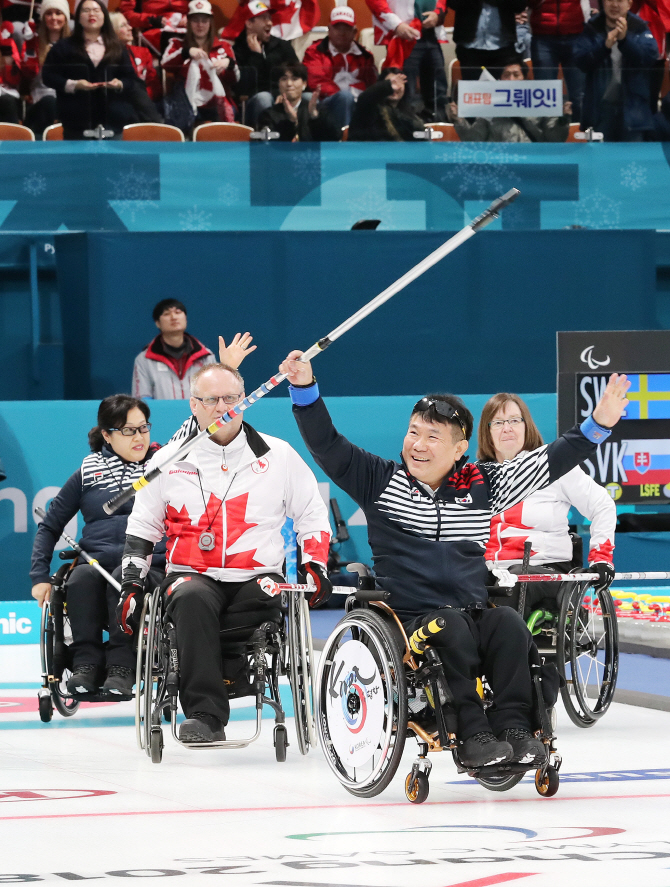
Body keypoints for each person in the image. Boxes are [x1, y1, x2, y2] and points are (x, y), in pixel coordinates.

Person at [280, 348, 629, 768]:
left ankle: (515, 729)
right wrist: (303, 388)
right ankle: (473, 733)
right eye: (413, 432)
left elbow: (551, 461)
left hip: (472, 608)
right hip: (410, 618)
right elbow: (326, 443)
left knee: (509, 624)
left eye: (432, 437)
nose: (418, 445)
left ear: (461, 447)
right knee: (452, 627)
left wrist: (598, 425)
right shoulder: (379, 481)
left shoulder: (484, 485)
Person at [116, 363, 332, 743]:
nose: (222, 407)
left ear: (245, 401)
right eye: (212, 399)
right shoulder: (167, 460)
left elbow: (313, 514)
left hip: (258, 578)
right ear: (193, 404)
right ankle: (205, 715)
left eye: (231, 398)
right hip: (191, 577)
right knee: (191, 598)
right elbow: (143, 527)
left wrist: (315, 565)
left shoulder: (278, 455)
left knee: (261, 597)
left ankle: (229, 672)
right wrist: (132, 584)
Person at [30, 395, 164, 696]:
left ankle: (122, 666)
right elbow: (50, 525)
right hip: (95, 561)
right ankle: (85, 664)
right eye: (128, 431)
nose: (139, 437)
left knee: (123, 577)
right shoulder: (88, 471)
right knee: (79, 578)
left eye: (143, 428)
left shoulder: (163, 466)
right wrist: (39, 577)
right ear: (107, 434)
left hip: (146, 565)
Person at [478, 392, 616, 615]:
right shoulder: (475, 477)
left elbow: (603, 506)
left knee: (514, 580)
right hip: (492, 573)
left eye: (514, 420)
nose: (507, 428)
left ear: (527, 426)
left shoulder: (554, 467)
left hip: (546, 573)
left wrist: (602, 558)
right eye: (498, 422)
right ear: (487, 431)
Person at [42, 0, 140, 140]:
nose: (91, 14)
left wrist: (119, 84)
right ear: (78, 17)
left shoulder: (117, 47)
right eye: (86, 10)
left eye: (96, 10)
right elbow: (48, 76)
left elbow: (131, 79)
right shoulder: (63, 47)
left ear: (104, 15)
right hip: (76, 121)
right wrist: (74, 85)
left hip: (112, 121)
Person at [131, 298, 256, 400]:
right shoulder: (144, 360)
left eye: (178, 312)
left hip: (200, 422)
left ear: (185, 318)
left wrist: (229, 367)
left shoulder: (206, 356)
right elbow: (142, 400)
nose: (173, 317)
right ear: (157, 323)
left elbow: (217, 393)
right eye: (166, 314)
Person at [573, 0, 658, 141]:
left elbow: (648, 59)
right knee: (600, 160)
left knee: (631, 161)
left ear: (629, 4)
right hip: (600, 109)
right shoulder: (592, 27)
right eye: (610, 0)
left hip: (633, 110)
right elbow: (580, 61)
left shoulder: (639, 27)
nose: (615, 5)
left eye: (620, 0)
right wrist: (604, 47)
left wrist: (625, 41)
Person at [448, 57, 572, 141]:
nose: (511, 80)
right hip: (500, 162)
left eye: (516, 75)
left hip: (532, 160)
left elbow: (555, 139)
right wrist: (458, 120)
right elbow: (474, 139)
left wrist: (563, 120)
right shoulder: (489, 105)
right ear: (500, 80)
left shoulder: (542, 101)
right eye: (506, 75)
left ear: (524, 79)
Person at [162, 0, 237, 130]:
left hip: (216, 103)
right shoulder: (177, 44)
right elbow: (165, 64)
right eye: (195, 20)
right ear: (189, 22)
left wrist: (229, 64)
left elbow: (235, 79)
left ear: (210, 23)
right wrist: (186, 52)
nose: (200, 25)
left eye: (204, 20)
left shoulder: (224, 47)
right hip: (185, 102)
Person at [303, 5, 378, 132]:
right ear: (329, 29)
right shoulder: (314, 52)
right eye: (338, 28)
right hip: (326, 102)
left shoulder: (365, 56)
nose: (342, 33)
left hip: (358, 103)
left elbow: (372, 85)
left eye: (347, 28)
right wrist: (347, 96)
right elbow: (316, 82)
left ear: (354, 32)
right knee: (345, 98)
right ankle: (344, 141)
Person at [232, 0, 298, 127]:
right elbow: (245, 87)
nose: (269, 23)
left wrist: (283, 94)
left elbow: (298, 73)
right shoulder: (238, 51)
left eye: (269, 18)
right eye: (263, 18)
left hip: (284, 94)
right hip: (253, 102)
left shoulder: (282, 46)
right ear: (249, 23)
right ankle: (264, 139)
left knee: (307, 97)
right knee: (264, 98)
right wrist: (256, 55)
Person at [528, 0, 586, 122]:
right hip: (543, 36)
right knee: (544, 94)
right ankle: (547, 137)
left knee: (579, 96)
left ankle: (581, 135)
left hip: (575, 34)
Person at [20, 0, 70, 137]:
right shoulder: (34, 42)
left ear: (65, 18)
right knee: (49, 101)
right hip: (39, 102)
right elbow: (27, 74)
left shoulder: (74, 45)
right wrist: (30, 48)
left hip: (66, 102)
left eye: (58, 13)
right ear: (43, 18)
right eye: (49, 13)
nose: (54, 17)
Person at [257, 61, 339, 141]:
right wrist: (291, 121)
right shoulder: (268, 115)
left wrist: (314, 116)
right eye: (284, 79)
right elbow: (267, 144)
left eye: (294, 79)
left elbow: (335, 137)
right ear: (279, 84)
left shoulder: (318, 111)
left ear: (304, 84)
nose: (289, 83)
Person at [449, 0, 528, 80]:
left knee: (502, 89)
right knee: (472, 90)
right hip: (470, 47)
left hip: (503, 47)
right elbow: (452, 3)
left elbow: (519, 6)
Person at [110, 11, 163, 122]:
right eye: (123, 25)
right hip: (121, 107)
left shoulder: (142, 52)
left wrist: (143, 97)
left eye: (128, 24)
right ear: (112, 31)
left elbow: (154, 84)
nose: (130, 28)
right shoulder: (106, 57)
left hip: (146, 104)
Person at [348, 67, 424, 140]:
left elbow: (418, 136)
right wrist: (388, 86)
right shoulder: (370, 108)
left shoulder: (409, 112)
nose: (395, 87)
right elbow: (365, 98)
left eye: (399, 82)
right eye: (391, 82)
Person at [0, 21, 21, 123]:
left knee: (8, 101)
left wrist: (7, 54)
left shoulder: (7, 41)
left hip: (5, 92)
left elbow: (14, 80)